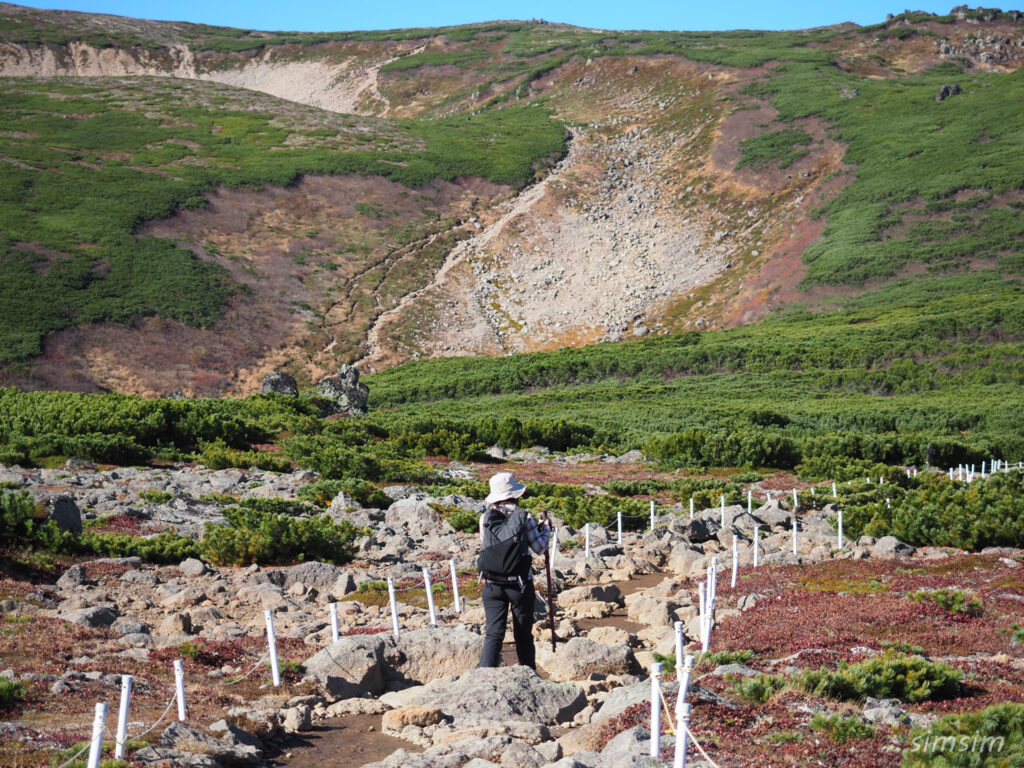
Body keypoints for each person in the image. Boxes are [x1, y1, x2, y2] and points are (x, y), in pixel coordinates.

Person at [477, 471, 551, 669]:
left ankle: (484, 677)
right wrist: (546, 529)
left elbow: (487, 547)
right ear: (516, 495)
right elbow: (539, 548)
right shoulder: (524, 517)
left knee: (493, 634)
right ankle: (529, 676)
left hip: (491, 584)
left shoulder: (485, 518)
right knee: (523, 635)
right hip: (519, 585)